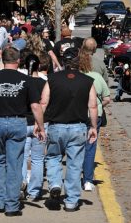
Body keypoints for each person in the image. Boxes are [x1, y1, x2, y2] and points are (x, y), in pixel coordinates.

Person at [0, 47, 46, 217]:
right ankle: (12, 205)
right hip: (17, 122)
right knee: (15, 163)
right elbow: (36, 106)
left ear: (2, 60)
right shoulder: (26, 80)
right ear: (18, 61)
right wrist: (41, 126)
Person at [40, 47, 98, 212]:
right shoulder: (87, 81)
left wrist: (39, 124)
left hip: (56, 126)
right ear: (78, 61)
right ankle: (71, 201)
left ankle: (55, 184)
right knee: (74, 164)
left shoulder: (52, 79)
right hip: (78, 126)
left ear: (64, 61)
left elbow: (43, 102)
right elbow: (93, 106)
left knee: (52, 157)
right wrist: (93, 127)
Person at [78, 45, 111, 191]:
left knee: (76, 147)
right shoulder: (97, 77)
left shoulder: (75, 77)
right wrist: (98, 105)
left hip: (77, 114)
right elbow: (107, 98)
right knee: (90, 148)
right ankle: (88, 180)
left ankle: (74, 176)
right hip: (94, 115)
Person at [21, 53, 48, 201]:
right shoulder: (45, 83)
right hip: (40, 123)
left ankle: (22, 182)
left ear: (25, 66)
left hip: (24, 122)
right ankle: (35, 191)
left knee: (22, 157)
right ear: (39, 66)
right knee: (38, 159)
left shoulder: (21, 82)